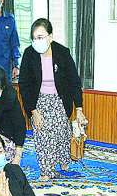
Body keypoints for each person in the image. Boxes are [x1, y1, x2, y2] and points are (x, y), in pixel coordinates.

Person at [18, 18, 88, 180]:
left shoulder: (62, 52)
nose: (37, 41)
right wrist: (33, 111)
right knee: (43, 134)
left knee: (61, 133)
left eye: (40, 37)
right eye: (34, 38)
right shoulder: (29, 54)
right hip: (38, 101)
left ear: (50, 36)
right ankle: (46, 171)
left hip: (60, 99)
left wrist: (79, 109)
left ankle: (63, 164)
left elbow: (74, 81)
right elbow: (24, 85)